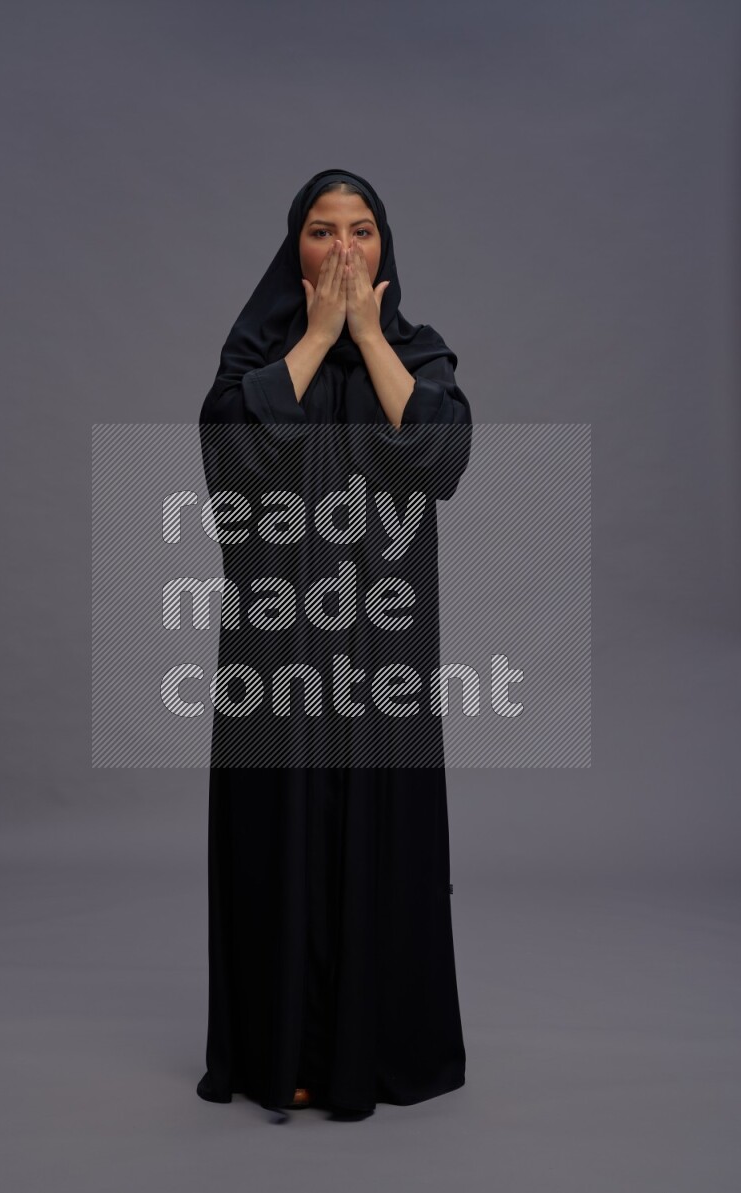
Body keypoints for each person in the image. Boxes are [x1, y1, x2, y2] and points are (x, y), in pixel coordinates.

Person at [196, 168, 472, 1121]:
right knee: (279, 839)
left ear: (384, 248)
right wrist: (316, 337)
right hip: (275, 657)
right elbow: (232, 452)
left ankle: (375, 1048)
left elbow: (438, 459)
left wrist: (362, 337)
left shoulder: (419, 357)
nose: (344, 249)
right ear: (295, 250)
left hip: (383, 654)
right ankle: (283, 1051)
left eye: (361, 230)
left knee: (380, 845)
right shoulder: (252, 364)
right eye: (323, 231)